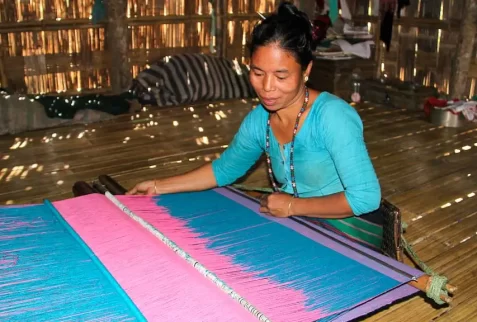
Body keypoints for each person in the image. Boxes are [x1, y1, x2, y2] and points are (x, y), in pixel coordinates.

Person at [127, 2, 381, 233]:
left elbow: (365, 197)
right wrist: (158, 186)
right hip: (296, 224)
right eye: (258, 73)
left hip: (348, 230)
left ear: (306, 70)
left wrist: (293, 206)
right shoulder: (260, 121)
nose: (267, 87)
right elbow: (225, 169)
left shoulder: (332, 117)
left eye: (281, 76)